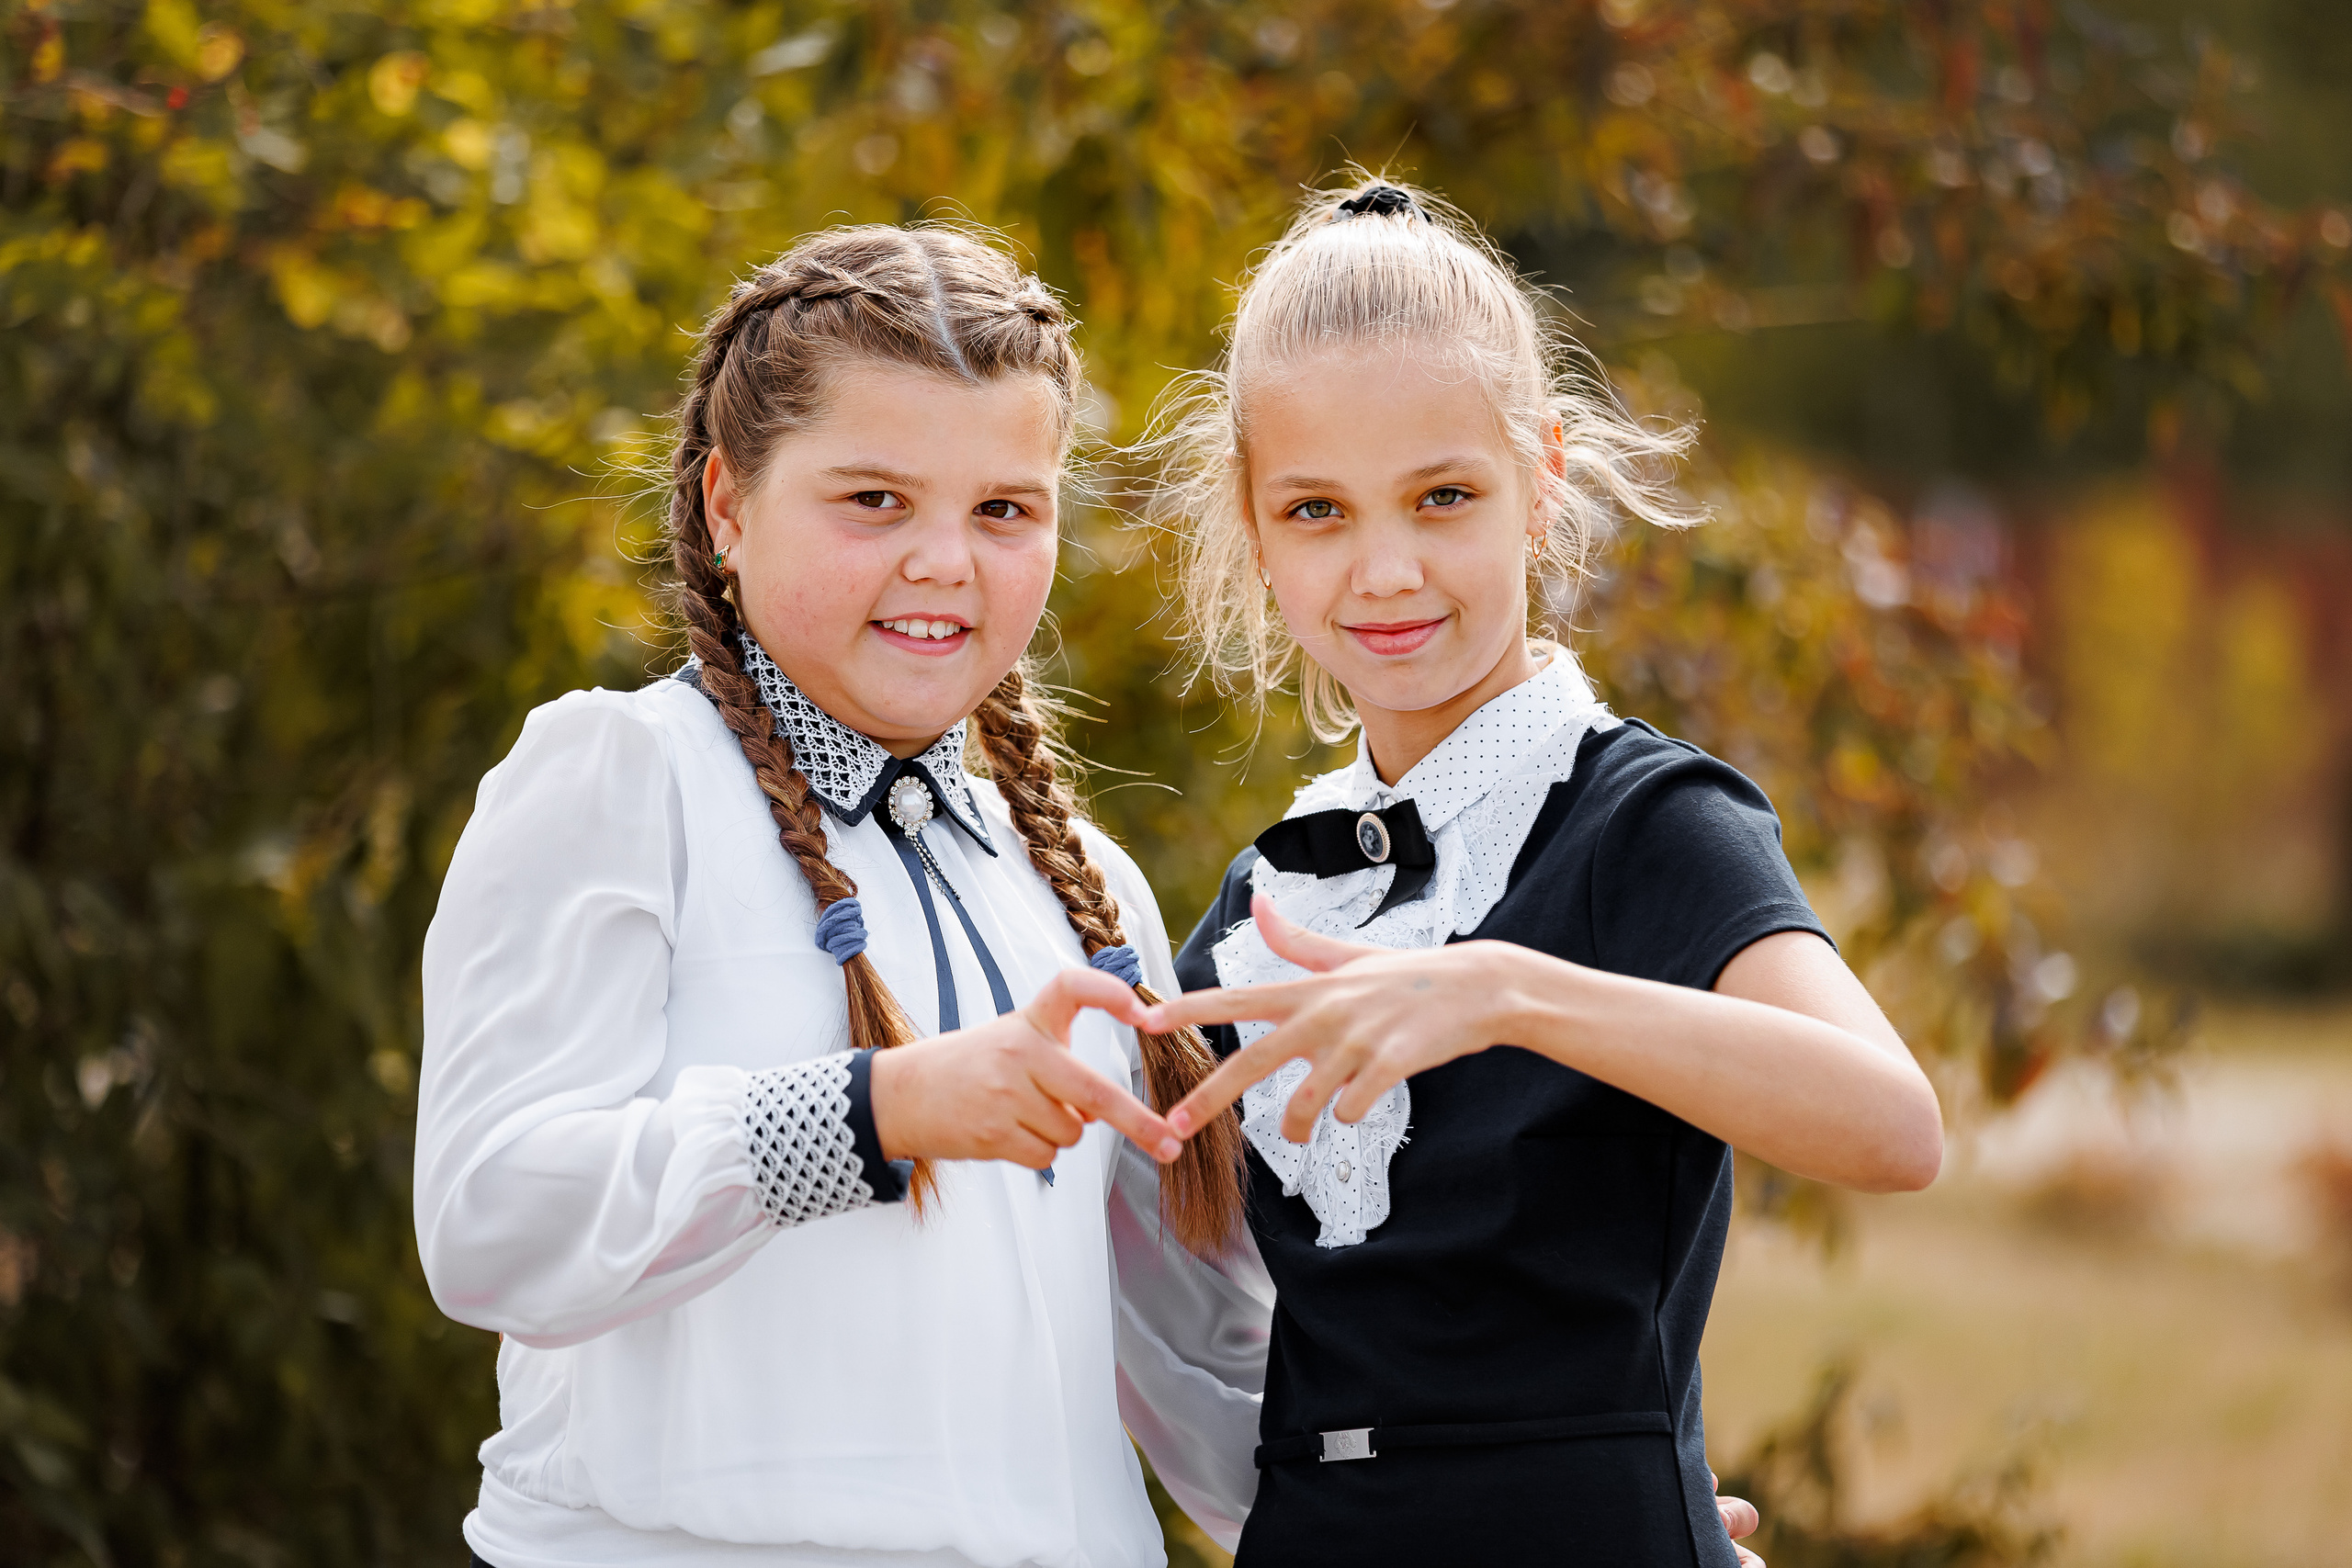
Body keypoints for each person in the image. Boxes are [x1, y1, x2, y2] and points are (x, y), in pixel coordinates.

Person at [413, 224, 1272, 1568]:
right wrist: (871, 1112)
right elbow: (490, 1225)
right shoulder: (627, 779)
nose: (945, 562)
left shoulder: (1087, 889)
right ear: (727, 505)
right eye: (875, 499)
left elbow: (1208, 1368)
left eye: (1005, 510)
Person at [1138, 180, 1945, 1567]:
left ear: (1543, 479)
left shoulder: (1646, 822)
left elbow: (1894, 1128)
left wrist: (1509, 994)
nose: (1385, 570)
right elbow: (1184, 1318)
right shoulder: (1262, 907)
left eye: (1443, 497)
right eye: (1318, 510)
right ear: (1255, 530)